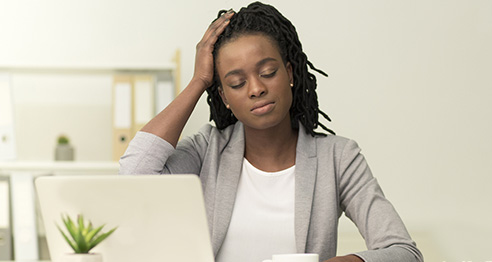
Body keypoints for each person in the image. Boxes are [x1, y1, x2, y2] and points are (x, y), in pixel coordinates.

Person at [119, 2, 423, 262]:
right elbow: (134, 176)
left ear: (290, 73)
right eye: (237, 83)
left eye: (267, 73)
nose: (256, 89)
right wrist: (199, 80)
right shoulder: (207, 150)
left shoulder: (338, 158)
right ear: (224, 96)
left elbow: (404, 252)